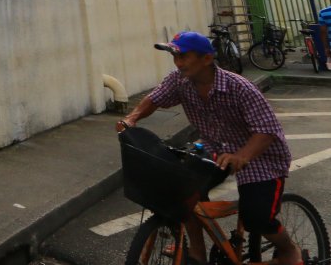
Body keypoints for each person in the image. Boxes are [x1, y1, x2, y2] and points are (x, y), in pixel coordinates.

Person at [117, 31, 300, 265]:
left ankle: (288, 250)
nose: (178, 63)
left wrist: (242, 155)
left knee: (257, 217)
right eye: (175, 57)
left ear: (206, 59)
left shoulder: (240, 88)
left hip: (260, 157)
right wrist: (131, 119)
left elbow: (266, 131)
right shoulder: (179, 80)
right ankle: (197, 251)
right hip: (215, 148)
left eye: (183, 56)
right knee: (181, 194)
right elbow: (155, 98)